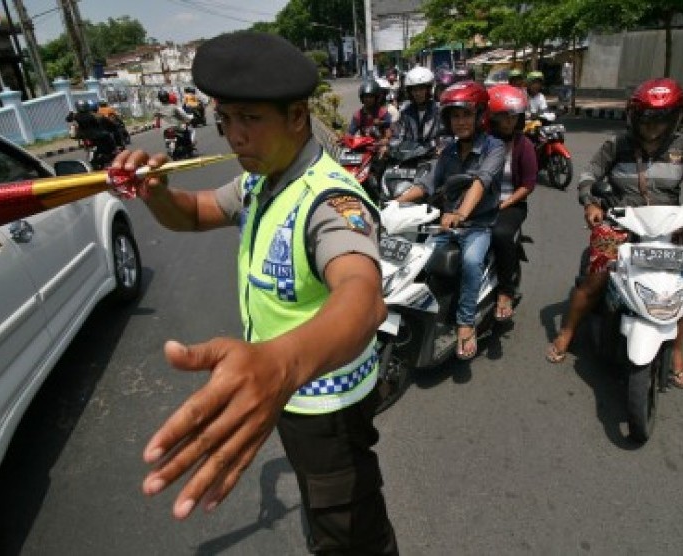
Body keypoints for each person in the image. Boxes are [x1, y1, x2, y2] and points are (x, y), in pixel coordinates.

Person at [114, 31, 399, 553]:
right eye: (226, 119)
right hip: (284, 390)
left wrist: (282, 364)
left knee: (351, 531)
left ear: (296, 116)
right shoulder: (261, 180)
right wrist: (156, 194)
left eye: (249, 119)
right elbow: (196, 213)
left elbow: (362, 295)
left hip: (325, 406)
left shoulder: (330, 200)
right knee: (321, 509)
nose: (233, 136)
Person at [546, 78, 683, 389]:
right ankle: (568, 331)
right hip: (621, 220)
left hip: (669, 225)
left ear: (674, 118)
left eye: (662, 118)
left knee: (680, 286)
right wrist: (590, 202)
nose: (654, 126)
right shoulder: (617, 144)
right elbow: (589, 175)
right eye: (647, 118)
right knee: (596, 278)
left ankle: (678, 351)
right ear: (635, 117)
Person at [394, 81, 505, 359]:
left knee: (470, 262)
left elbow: (481, 182)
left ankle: (465, 323)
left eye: (466, 114)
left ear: (480, 116)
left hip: (478, 224)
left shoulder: (495, 147)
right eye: (454, 116)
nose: (460, 121)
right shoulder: (449, 152)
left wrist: (460, 214)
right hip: (446, 224)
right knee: (417, 258)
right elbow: (428, 184)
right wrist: (395, 203)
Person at [486, 85, 538, 322]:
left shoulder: (524, 145)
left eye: (512, 116)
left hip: (511, 204)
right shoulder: (483, 142)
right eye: (502, 116)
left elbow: (527, 185)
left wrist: (503, 205)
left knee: (501, 234)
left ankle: (505, 291)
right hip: (480, 202)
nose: (508, 122)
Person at [347, 78, 393, 158]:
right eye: (365, 96)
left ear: (376, 98)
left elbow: (388, 133)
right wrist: (345, 140)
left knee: (384, 153)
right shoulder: (358, 115)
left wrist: (384, 141)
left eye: (370, 97)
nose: (367, 99)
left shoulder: (383, 113)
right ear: (362, 98)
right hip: (363, 148)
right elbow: (350, 133)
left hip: (380, 148)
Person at [396, 66, 441, 146]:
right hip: (410, 156)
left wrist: (438, 146)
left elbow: (446, 136)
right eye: (414, 90)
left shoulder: (439, 111)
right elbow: (399, 136)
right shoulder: (405, 113)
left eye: (421, 89)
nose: (418, 93)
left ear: (428, 89)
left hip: (434, 156)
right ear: (410, 92)